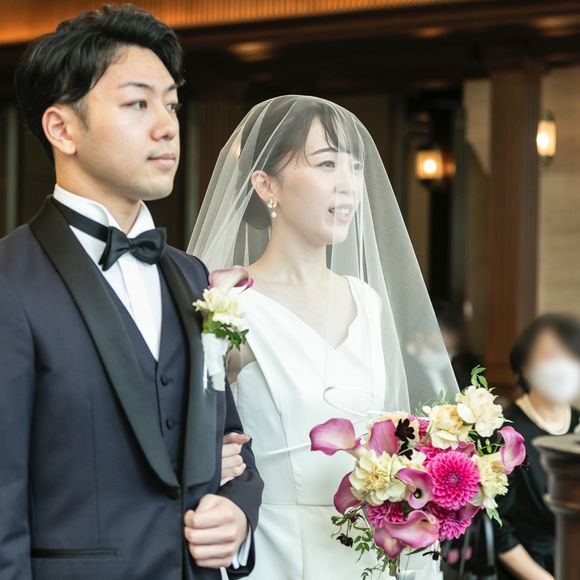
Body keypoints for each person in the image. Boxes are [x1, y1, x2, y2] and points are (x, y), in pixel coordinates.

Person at [0, 6, 262, 580]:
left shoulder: (192, 275)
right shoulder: (8, 282)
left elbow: (231, 443)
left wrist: (238, 514)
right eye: (138, 104)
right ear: (62, 129)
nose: (167, 126)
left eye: (171, 105)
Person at [188, 95, 459, 579]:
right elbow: (191, 431)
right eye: (327, 163)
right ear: (266, 184)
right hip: (277, 553)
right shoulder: (229, 303)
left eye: (354, 167)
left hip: (369, 556)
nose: (348, 185)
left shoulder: (367, 302)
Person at [494, 314, 580, 580]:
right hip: (530, 569)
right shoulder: (504, 433)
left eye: (572, 356)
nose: (564, 366)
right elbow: (497, 526)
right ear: (525, 364)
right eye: (551, 356)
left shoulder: (578, 423)